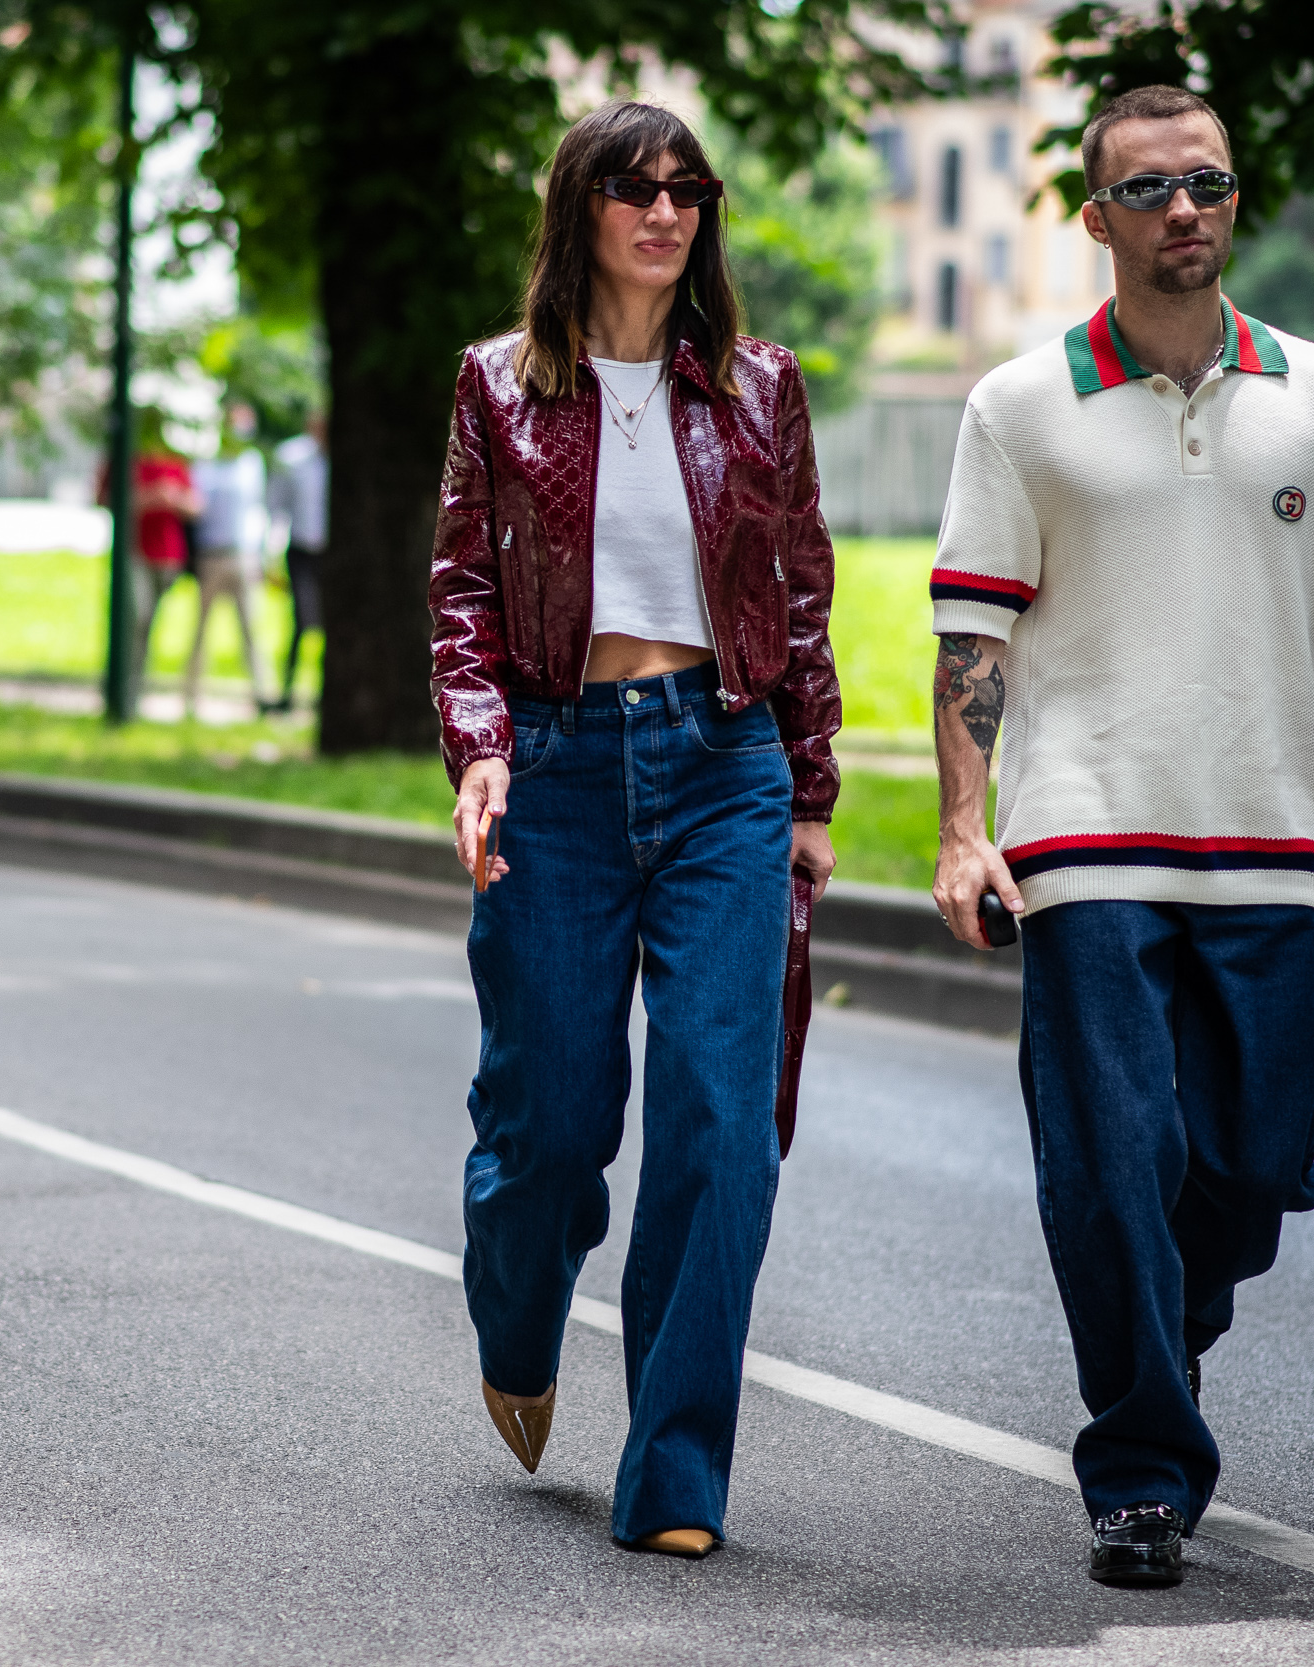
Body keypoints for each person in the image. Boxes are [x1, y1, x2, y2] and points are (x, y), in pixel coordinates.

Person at [926, 84, 1314, 1589]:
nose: (1185, 209)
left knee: (1264, 1151)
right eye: (1150, 189)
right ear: (1099, 219)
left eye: (1206, 182)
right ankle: (1141, 1467)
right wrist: (965, 826)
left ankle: (1173, 1324)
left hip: (1274, 841)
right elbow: (972, 632)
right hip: (1084, 841)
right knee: (1113, 1157)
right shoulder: (1019, 407)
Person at [429, 100, 841, 1559]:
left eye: (688, 189)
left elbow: (799, 594)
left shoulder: (758, 386)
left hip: (724, 760)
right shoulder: (499, 385)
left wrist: (807, 793)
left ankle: (675, 1469)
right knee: (551, 1122)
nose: (665, 210)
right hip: (556, 763)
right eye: (634, 186)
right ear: (581, 207)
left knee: (725, 1124)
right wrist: (481, 754)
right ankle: (518, 1306)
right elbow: (464, 596)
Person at [99, 408, 199, 684]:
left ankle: (136, 683)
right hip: (133, 552)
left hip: (168, 554)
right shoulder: (122, 460)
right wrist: (150, 498)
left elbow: (196, 506)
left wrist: (174, 499)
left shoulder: (174, 462)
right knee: (135, 616)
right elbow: (105, 499)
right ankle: (122, 682)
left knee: (147, 623)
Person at [184, 403, 270, 718]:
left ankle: (263, 697)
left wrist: (263, 555)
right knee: (200, 630)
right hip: (212, 555)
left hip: (244, 556)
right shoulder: (205, 465)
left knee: (252, 630)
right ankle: (190, 698)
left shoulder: (252, 464)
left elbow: (259, 511)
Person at [265, 412, 327, 714]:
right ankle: (288, 690)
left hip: (331, 554)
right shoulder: (292, 458)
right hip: (302, 549)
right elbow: (276, 508)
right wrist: (271, 555)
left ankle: (322, 691)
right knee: (302, 619)